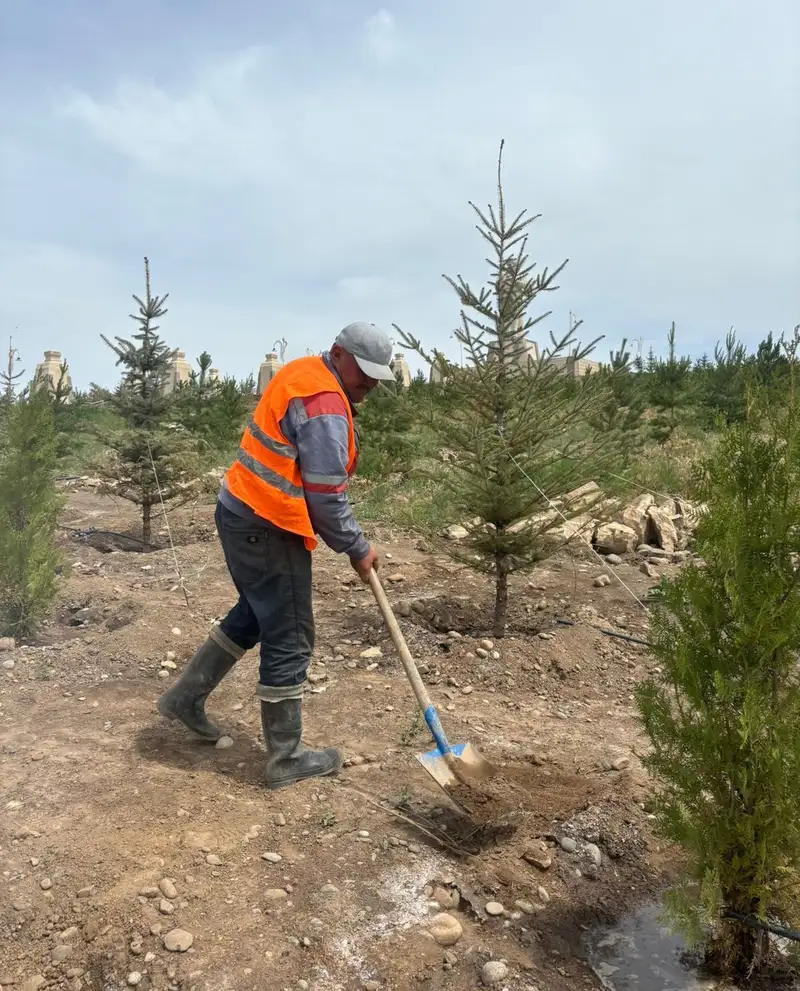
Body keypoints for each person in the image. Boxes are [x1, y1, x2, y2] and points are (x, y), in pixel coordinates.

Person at [157, 322, 396, 789]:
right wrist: (357, 547)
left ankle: (184, 698)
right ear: (338, 354)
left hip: (239, 511)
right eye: (362, 373)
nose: (368, 383)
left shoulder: (303, 372)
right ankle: (285, 758)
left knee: (256, 612)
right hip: (266, 525)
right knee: (289, 631)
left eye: (375, 376)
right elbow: (326, 495)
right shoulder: (325, 401)